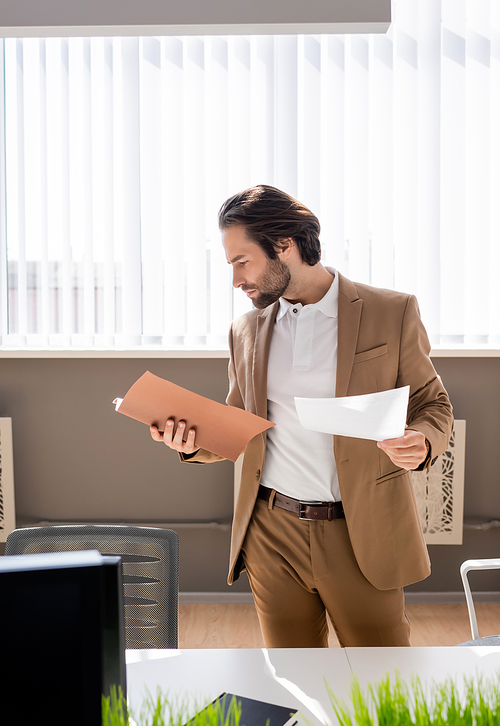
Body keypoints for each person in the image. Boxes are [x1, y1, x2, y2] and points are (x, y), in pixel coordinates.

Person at [151, 185, 454, 647]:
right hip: (272, 533)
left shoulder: (390, 312)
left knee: (383, 683)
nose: (236, 280)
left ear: (285, 245)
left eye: (242, 261)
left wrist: (424, 440)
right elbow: (242, 423)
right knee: (290, 685)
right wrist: (191, 442)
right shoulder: (246, 329)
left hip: (361, 531)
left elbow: (433, 402)